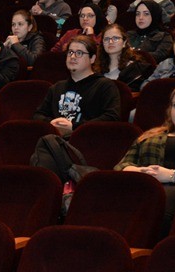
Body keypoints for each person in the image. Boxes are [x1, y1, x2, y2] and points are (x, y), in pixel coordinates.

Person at [29, 35, 122, 183]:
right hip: (56, 143)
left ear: (92, 58)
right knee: (46, 145)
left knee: (44, 150)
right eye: (70, 52)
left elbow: (112, 117)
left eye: (79, 53)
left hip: (87, 147)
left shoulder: (105, 86)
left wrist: (74, 126)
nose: (73, 56)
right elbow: (38, 115)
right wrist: (53, 124)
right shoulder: (56, 88)